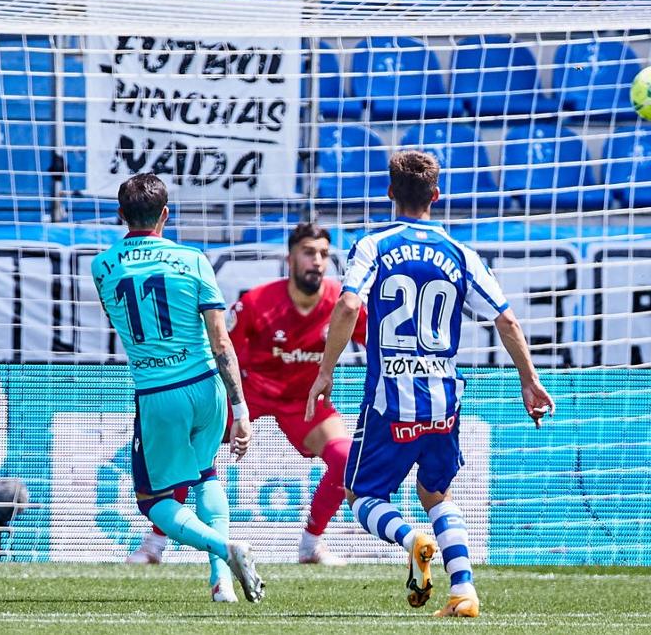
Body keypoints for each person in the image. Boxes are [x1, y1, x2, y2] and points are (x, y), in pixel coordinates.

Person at [307, 149, 556, 617]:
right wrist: (530, 381)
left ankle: (410, 538)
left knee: (362, 496)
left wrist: (326, 370)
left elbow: (347, 307)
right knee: (436, 493)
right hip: (444, 397)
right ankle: (463, 590)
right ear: (436, 196)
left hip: (389, 401)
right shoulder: (461, 253)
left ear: (389, 193)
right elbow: (505, 319)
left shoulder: (373, 245)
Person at [127, 223, 366, 567]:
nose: (317, 261)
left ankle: (311, 544)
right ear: (290, 258)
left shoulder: (339, 304)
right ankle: (154, 544)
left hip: (305, 401)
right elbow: (221, 351)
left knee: (347, 459)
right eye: (309, 252)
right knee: (190, 451)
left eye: (324, 255)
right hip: (252, 392)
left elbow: (376, 338)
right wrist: (234, 407)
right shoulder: (258, 302)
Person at [91, 173, 264, 603]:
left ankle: (225, 549)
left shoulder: (102, 267)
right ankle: (221, 581)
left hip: (158, 393)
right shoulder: (195, 260)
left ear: (120, 215)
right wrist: (241, 409)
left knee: (153, 501)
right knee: (205, 475)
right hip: (208, 387)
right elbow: (221, 340)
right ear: (166, 214)